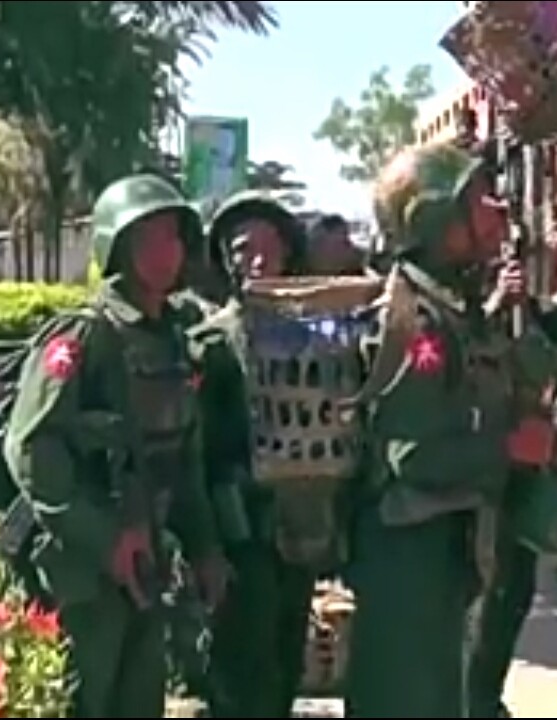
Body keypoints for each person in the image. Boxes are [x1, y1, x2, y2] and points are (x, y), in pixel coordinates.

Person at [344, 141, 557, 717]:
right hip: (408, 557)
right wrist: (510, 448)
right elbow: (412, 456)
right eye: (478, 198)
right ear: (438, 220)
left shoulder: (450, 306)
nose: (496, 207)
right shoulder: (417, 321)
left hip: (436, 551)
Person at [3, 173, 230, 717]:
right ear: (116, 246)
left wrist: (204, 547)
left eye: (172, 236)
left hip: (147, 564)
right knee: (83, 701)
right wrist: (105, 539)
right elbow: (30, 446)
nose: (165, 251)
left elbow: (183, 460)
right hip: (82, 570)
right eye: (147, 237)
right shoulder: (83, 334)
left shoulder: (173, 339)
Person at [467, 219, 557, 718]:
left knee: (513, 595)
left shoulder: (529, 317)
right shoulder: (461, 311)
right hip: (480, 481)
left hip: (524, 478)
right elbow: (458, 359)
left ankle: (485, 699)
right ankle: (473, 704)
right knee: (483, 602)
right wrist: (493, 305)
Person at [192, 191, 320, 717]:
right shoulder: (211, 341)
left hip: (295, 528)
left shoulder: (311, 336)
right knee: (243, 669)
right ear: (227, 260)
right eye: (244, 249)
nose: (258, 260)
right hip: (239, 534)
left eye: (270, 247)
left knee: (286, 661)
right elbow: (193, 455)